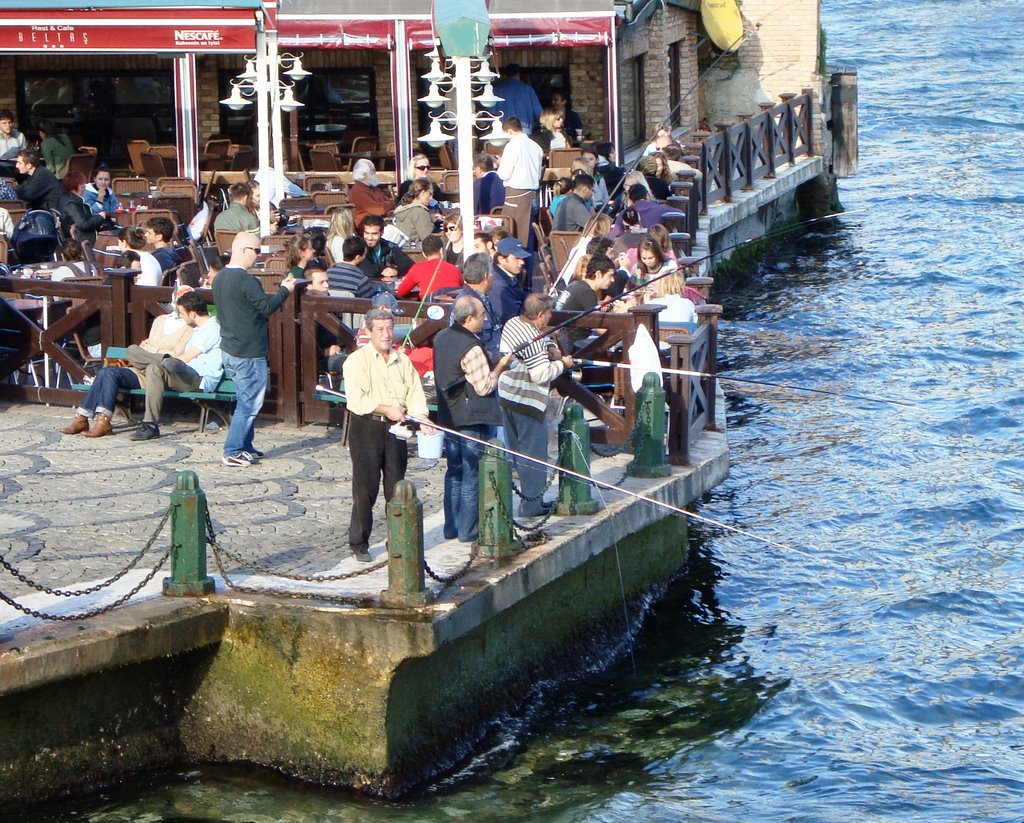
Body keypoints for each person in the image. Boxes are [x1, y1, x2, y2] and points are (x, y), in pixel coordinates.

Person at [342, 307, 433, 561]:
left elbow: (414, 393)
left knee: (396, 486)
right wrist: (386, 409)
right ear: (368, 332)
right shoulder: (357, 361)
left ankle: (398, 537)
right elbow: (357, 400)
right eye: (380, 329)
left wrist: (422, 417)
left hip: (397, 428)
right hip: (367, 426)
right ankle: (359, 542)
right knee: (365, 488)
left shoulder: (402, 360)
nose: (386, 334)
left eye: (389, 329)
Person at [59, 290, 204, 438]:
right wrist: (152, 352)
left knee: (152, 360)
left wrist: (150, 351)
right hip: (142, 369)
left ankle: (99, 422)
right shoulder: (160, 320)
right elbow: (144, 347)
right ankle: (87, 418)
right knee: (112, 368)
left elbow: (176, 355)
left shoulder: (189, 327)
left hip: (162, 373)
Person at [212, 232, 297, 467]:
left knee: (244, 398)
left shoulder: (219, 278)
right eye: (256, 251)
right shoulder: (246, 280)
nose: (258, 257)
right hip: (248, 351)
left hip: (229, 347)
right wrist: (286, 290)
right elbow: (266, 307)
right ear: (242, 250)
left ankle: (245, 444)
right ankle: (233, 449)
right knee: (249, 403)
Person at [435, 295, 511, 542]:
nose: (485, 318)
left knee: (453, 471)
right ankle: (468, 530)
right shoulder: (472, 347)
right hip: (471, 417)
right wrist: (500, 366)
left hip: (449, 415)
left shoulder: (442, 337)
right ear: (469, 319)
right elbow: (485, 386)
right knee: (471, 474)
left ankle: (451, 527)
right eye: (481, 315)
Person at [498, 293, 574, 517]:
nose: (550, 318)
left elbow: (540, 339)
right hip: (528, 402)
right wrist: (562, 363)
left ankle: (526, 501)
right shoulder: (532, 338)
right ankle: (531, 507)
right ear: (540, 315)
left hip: (507, 396)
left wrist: (550, 345)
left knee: (517, 452)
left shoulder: (514, 323)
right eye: (549, 314)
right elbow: (540, 374)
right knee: (533, 456)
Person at [129, 293, 223, 441]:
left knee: (158, 363)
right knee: (150, 366)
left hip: (198, 377)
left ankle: (164, 360)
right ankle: (150, 425)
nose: (182, 318)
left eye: (182, 313)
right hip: (183, 372)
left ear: (192, 313)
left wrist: (167, 360)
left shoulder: (212, 328)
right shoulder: (198, 329)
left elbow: (187, 357)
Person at [497, 117, 544, 249]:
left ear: (510, 131)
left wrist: (500, 164)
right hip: (533, 195)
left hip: (517, 194)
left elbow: (504, 174)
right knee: (529, 237)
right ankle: (528, 269)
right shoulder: (536, 146)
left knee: (515, 238)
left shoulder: (512, 145)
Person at [556, 254, 616, 350]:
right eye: (610, 276)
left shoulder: (575, 285)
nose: (613, 280)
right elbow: (601, 329)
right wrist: (620, 315)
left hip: (564, 340)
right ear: (598, 274)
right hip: (576, 346)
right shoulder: (587, 292)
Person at [454, 253, 500, 358]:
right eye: (492, 273)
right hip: (483, 363)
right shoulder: (465, 304)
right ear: (486, 276)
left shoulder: (484, 297)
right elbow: (461, 345)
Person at [395, 234, 462, 299]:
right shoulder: (455, 269)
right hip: (452, 307)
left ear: (424, 254)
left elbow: (401, 291)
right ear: (441, 250)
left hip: (428, 307)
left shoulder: (417, 268)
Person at [57, 170, 107, 245]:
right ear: (73, 188)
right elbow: (84, 224)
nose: (85, 189)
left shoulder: (65, 198)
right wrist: (100, 217)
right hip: (83, 240)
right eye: (82, 187)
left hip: (78, 236)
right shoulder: (71, 204)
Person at [358, 214, 413, 280]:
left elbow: (410, 264)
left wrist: (396, 271)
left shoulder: (390, 247)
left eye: (374, 234)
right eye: (366, 233)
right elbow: (370, 271)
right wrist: (387, 269)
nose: (370, 238)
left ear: (382, 233)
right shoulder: (358, 247)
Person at [609, 184, 675, 238]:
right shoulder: (661, 209)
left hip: (629, 247)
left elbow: (614, 235)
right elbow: (681, 213)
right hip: (656, 247)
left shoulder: (624, 213)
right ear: (647, 196)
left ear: (630, 198)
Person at [493, 64, 542, 134]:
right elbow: (539, 114)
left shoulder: (497, 91)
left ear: (505, 75)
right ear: (518, 74)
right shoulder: (528, 90)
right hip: (524, 132)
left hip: (503, 132)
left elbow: (492, 114)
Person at [349, 159, 395, 231]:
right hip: (367, 227)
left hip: (380, 222)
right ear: (364, 175)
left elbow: (391, 203)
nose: (375, 175)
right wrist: (387, 204)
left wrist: (386, 204)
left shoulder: (374, 188)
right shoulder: (358, 191)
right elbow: (379, 210)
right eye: (372, 172)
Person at [490, 237, 528, 321]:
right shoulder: (498, 285)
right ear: (501, 260)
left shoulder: (509, 276)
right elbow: (511, 317)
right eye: (517, 258)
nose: (522, 262)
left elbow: (522, 296)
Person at [391, 179, 435, 244]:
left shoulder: (403, 208)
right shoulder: (420, 212)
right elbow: (427, 239)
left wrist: (430, 219)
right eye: (430, 194)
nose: (431, 198)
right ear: (423, 193)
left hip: (402, 247)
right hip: (416, 250)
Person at [0, 110, 26, 177]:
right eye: (4, 123)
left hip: (17, 167)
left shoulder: (19, 136)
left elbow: (24, 154)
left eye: (10, 122)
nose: (8, 125)